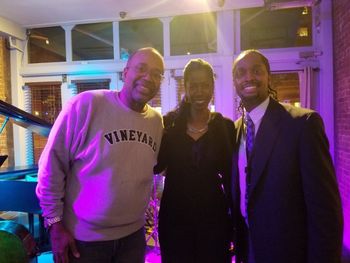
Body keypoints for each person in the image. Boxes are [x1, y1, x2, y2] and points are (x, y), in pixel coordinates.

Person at [36, 47, 165, 263]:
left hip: (133, 238)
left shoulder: (155, 122)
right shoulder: (85, 105)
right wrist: (54, 224)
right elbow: (51, 167)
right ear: (125, 73)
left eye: (156, 73)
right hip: (84, 241)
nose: (148, 77)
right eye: (141, 68)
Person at [231, 49, 343, 263]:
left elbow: (325, 209)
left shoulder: (302, 124)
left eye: (257, 70)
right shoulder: (235, 130)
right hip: (249, 248)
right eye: (241, 72)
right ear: (235, 82)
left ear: (268, 76)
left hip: (290, 251)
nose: (249, 77)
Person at [154, 58, 235, 263]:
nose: (200, 91)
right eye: (194, 86)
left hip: (214, 217)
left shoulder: (224, 127)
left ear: (212, 87)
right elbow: (158, 165)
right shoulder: (169, 124)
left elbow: (231, 177)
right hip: (175, 217)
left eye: (205, 85)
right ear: (186, 88)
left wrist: (235, 218)